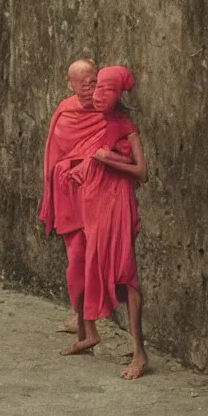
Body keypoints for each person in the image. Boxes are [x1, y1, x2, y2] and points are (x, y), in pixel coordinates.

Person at [62, 66, 149, 380]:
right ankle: (89, 332)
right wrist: (82, 168)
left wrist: (106, 159)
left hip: (117, 205)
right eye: (96, 89)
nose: (98, 96)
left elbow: (142, 172)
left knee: (126, 275)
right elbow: (88, 155)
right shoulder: (94, 122)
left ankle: (140, 354)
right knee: (94, 267)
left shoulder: (126, 126)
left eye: (106, 92)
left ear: (118, 95)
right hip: (95, 204)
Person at [39, 59, 104, 337]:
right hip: (70, 193)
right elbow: (57, 153)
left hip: (100, 190)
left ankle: (96, 315)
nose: (88, 87)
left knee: (101, 256)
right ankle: (80, 317)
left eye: (93, 81)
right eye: (82, 82)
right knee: (76, 256)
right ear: (71, 85)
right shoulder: (65, 111)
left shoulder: (108, 111)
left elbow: (117, 142)